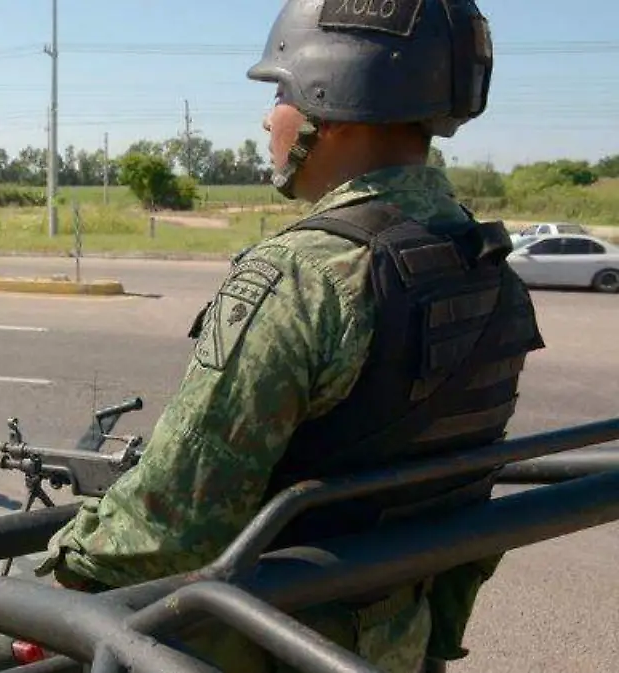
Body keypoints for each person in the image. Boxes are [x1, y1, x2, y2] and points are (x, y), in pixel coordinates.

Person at [34, 2, 545, 672]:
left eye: (280, 91)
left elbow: (167, 530)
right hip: (395, 639)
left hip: (267, 642)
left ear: (328, 101)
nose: (267, 116)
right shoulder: (487, 271)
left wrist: (63, 557)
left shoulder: (301, 277)